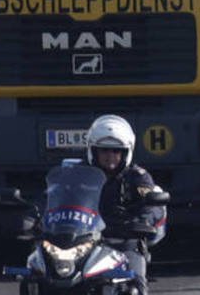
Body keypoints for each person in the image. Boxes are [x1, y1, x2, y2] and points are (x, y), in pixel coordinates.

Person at [86, 115, 166, 295]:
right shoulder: (78, 173)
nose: (110, 156)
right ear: (93, 151)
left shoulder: (138, 177)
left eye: (116, 151)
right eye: (104, 151)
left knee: (134, 284)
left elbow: (151, 206)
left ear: (125, 152)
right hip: (85, 241)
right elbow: (52, 196)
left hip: (124, 240)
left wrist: (140, 223)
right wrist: (34, 215)